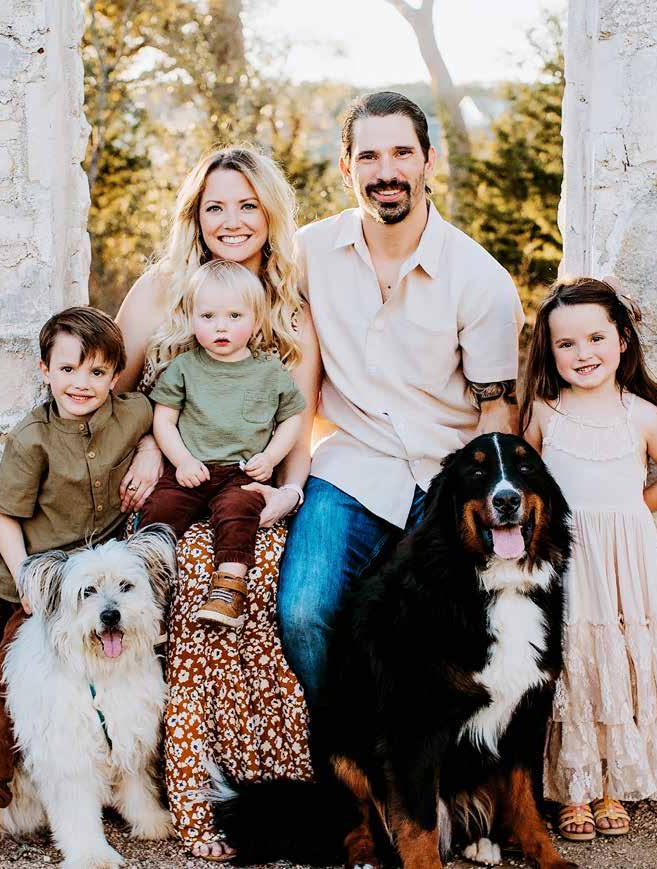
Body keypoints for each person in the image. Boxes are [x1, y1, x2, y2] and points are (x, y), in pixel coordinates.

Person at [277, 91, 525, 706]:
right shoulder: (307, 254)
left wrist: (474, 505)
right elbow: (219, 275)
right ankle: (353, 744)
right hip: (350, 462)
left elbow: (497, 410)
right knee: (305, 614)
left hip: (445, 470)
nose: (385, 172)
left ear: (428, 161)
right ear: (346, 168)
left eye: (401, 154)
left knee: (440, 632)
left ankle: (419, 752)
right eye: (369, 157)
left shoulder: (480, 279)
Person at [115, 146, 318, 861]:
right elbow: (115, 394)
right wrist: (152, 445)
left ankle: (268, 790)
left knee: (254, 590)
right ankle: (197, 790)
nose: (232, 220)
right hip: (173, 483)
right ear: (194, 216)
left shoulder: (289, 308)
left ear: (271, 214)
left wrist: (288, 492)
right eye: (215, 206)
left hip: (251, 494)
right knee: (186, 572)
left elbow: (300, 424)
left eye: (247, 205)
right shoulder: (162, 289)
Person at [520, 276, 657, 841]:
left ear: (622, 339)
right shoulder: (545, 413)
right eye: (567, 344)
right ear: (550, 352)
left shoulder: (641, 416)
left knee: (617, 663)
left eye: (596, 338)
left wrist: (626, 514)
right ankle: (574, 790)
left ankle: (610, 786)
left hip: (626, 563)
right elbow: (526, 483)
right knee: (575, 661)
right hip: (567, 560)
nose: (584, 353)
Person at [0, 307, 152, 867]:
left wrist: (150, 452)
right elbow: (3, 516)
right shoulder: (32, 437)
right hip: (11, 572)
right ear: (45, 370)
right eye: (68, 369)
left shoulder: (134, 413)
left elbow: (156, 423)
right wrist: (27, 580)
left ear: (116, 377)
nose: (82, 383)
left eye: (97, 372)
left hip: (75, 581)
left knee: (4, 684)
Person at [139, 260, 305, 628]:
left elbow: (292, 418)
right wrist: (182, 460)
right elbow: (163, 420)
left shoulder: (269, 371)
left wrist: (270, 456)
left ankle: (228, 588)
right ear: (191, 318)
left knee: (239, 511)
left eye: (234, 316)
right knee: (158, 510)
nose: (221, 326)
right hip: (191, 469)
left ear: (256, 320)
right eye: (208, 316)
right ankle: (148, 596)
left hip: (241, 472)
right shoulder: (184, 367)